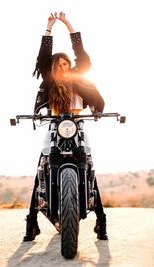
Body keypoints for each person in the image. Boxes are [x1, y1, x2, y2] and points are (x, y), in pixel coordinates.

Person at [23, 12, 108, 242]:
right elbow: (42, 58)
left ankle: (101, 220)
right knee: (41, 166)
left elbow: (82, 57)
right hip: (54, 128)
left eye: (66, 64)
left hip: (78, 126)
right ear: (53, 67)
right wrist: (49, 28)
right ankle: (31, 223)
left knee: (88, 165)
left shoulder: (78, 80)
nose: (64, 67)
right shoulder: (49, 82)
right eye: (59, 64)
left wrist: (69, 26)